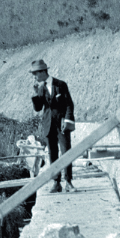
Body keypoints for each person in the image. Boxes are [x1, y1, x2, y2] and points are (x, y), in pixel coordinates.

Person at [30, 59, 75, 192]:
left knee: (66, 151)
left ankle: (68, 181)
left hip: (61, 124)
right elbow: (38, 108)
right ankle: (56, 182)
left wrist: (67, 120)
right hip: (48, 124)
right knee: (53, 154)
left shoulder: (61, 85)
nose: (34, 77)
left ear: (43, 72)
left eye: (35, 74)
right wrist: (35, 95)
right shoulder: (40, 88)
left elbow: (69, 104)